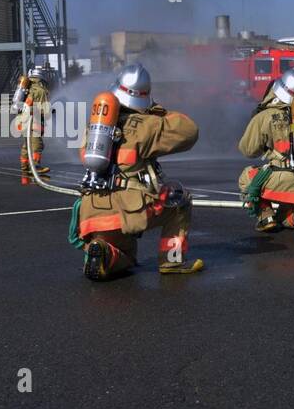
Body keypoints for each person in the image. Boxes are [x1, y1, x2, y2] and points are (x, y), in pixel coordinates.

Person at [74, 63, 205, 280]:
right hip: (129, 211)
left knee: (126, 255)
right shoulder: (148, 125)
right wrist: (156, 110)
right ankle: (172, 262)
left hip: (90, 213)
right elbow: (190, 131)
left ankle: (102, 251)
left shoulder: (95, 128)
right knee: (180, 201)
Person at [237, 68, 294, 234]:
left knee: (246, 176)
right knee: (290, 198)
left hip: (283, 180)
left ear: (277, 89)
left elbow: (248, 151)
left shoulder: (265, 116)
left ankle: (266, 215)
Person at [14, 66, 50, 179]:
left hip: (22, 122)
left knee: (26, 145)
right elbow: (45, 111)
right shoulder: (40, 90)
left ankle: (24, 166)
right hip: (34, 122)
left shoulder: (26, 88)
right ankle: (35, 166)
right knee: (37, 145)